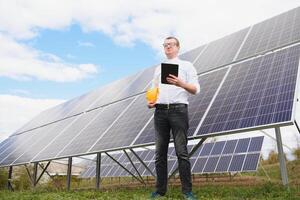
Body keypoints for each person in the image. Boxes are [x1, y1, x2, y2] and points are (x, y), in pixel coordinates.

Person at [148, 36, 200, 200]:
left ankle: (187, 191)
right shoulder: (158, 69)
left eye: (170, 45)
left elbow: (196, 89)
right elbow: (154, 89)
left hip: (179, 111)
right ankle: (160, 190)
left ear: (178, 47)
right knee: (160, 154)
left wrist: (181, 84)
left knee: (181, 152)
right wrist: (152, 101)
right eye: (165, 45)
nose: (167, 47)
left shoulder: (186, 66)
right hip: (160, 112)